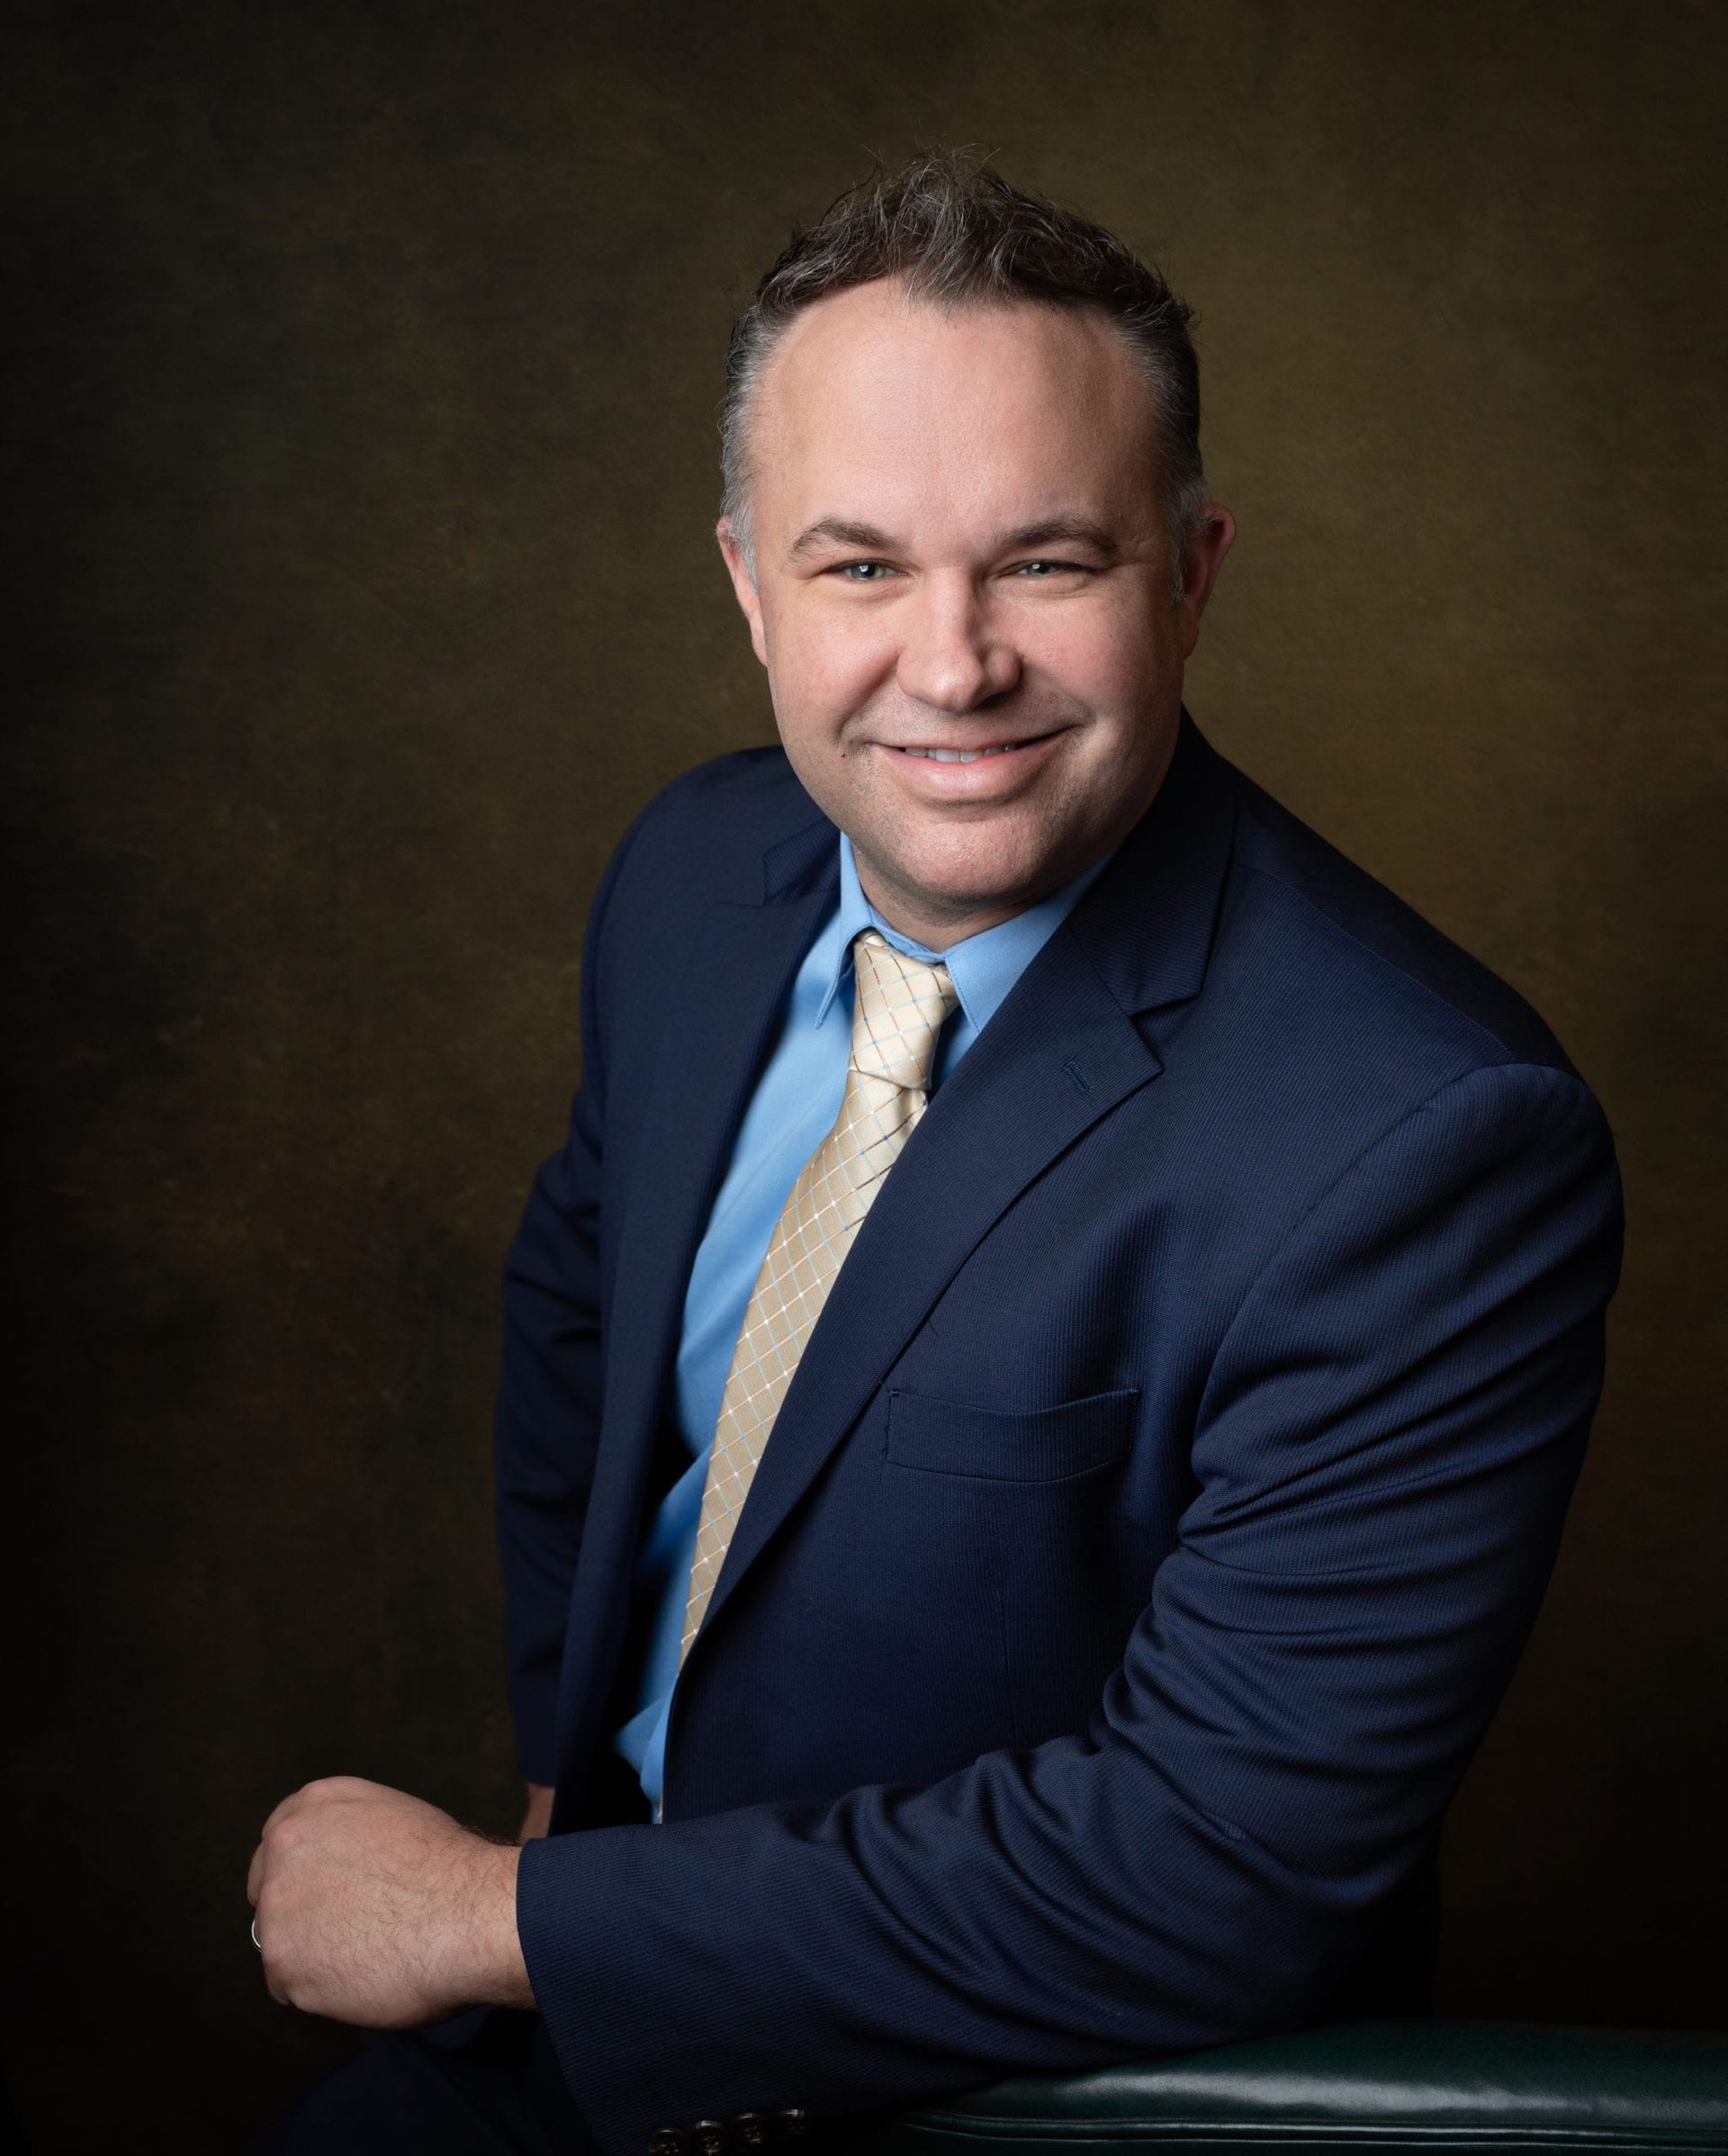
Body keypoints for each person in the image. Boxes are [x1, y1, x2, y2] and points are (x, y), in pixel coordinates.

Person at [248, 149, 1624, 2154]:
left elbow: (1206, 1871)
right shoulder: (691, 880)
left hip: (1033, 2096)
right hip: (618, 2019)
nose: (954, 664)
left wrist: (501, 1913)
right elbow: (585, 1336)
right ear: (746, 582)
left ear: (1197, 571)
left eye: (1050, 563)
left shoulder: (1429, 1140)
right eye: (860, 565)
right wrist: (583, 1792)